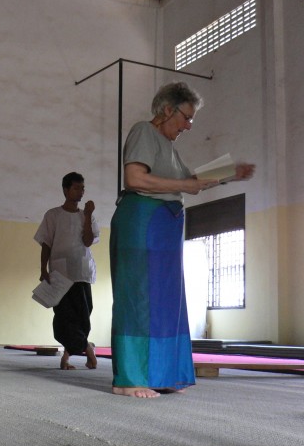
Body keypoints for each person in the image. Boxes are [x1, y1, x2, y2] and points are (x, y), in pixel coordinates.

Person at [110, 82, 254, 398]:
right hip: (141, 223)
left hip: (165, 228)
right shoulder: (143, 132)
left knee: (165, 301)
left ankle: (161, 375)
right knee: (139, 298)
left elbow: (190, 182)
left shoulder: (169, 149)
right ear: (167, 109)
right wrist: (182, 185)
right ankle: (129, 379)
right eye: (186, 117)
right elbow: (134, 178)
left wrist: (230, 171)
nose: (188, 126)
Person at [34, 172, 100, 370]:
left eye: (82, 188)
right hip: (60, 274)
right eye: (76, 188)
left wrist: (88, 215)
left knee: (82, 317)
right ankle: (88, 350)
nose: (80, 192)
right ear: (65, 189)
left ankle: (67, 358)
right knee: (63, 319)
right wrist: (43, 267)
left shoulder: (86, 215)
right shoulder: (52, 215)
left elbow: (88, 241)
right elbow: (46, 243)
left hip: (82, 273)